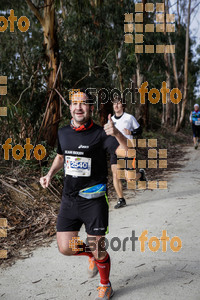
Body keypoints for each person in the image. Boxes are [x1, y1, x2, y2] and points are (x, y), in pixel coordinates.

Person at [40, 90, 130, 300]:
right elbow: (62, 157)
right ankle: (91, 255)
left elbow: (126, 151)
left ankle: (105, 284)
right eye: (74, 103)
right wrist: (49, 174)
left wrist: (116, 133)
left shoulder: (101, 134)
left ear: (90, 107)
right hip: (69, 200)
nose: (78, 107)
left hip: (94, 201)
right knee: (65, 248)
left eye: (84, 104)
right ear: (70, 107)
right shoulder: (63, 133)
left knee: (99, 249)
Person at [110, 97, 146, 209]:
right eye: (114, 104)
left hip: (127, 149)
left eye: (118, 104)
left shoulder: (129, 118)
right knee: (115, 175)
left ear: (123, 106)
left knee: (129, 178)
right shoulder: (110, 119)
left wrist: (131, 132)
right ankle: (121, 199)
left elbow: (139, 130)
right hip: (115, 150)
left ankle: (141, 174)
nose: (116, 106)